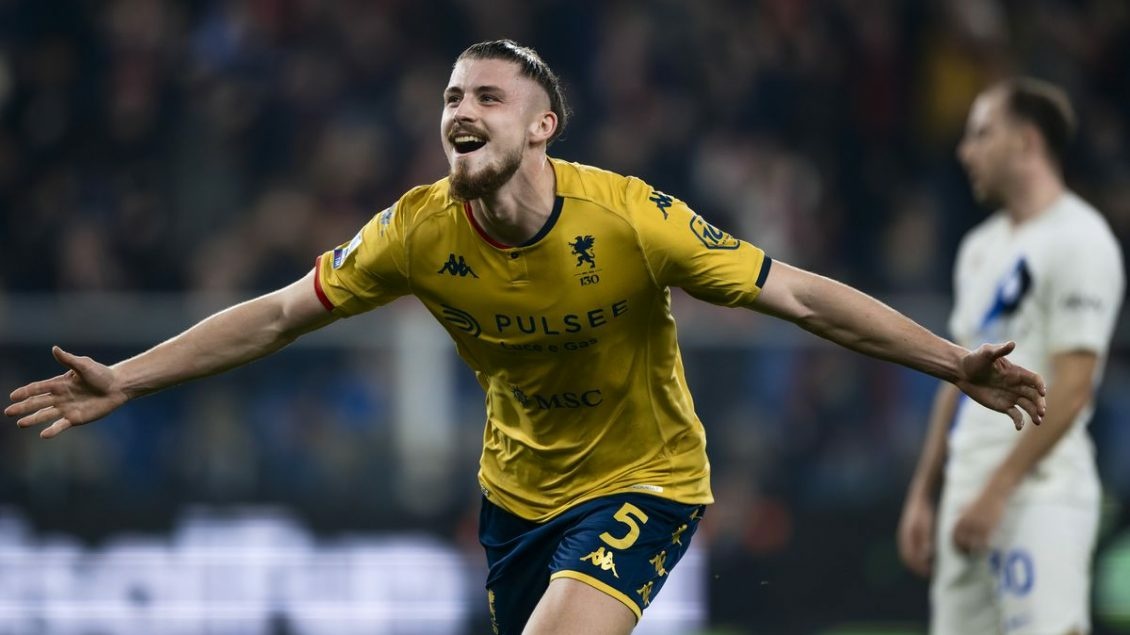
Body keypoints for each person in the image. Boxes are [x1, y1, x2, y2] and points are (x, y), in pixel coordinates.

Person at [6, 40, 1046, 635]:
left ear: (542, 125)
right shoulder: (413, 231)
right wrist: (128, 378)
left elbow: (803, 297)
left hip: (646, 478)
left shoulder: (632, 218)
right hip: (514, 499)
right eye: (451, 96)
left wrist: (951, 362)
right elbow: (279, 314)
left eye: (488, 97)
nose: (461, 109)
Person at [897, 78, 1125, 635]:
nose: (965, 151)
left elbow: (1074, 386)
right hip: (966, 493)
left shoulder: (1082, 238)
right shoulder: (979, 248)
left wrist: (998, 491)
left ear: (1026, 141)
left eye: (981, 133)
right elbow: (956, 378)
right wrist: (924, 494)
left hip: (1040, 495)